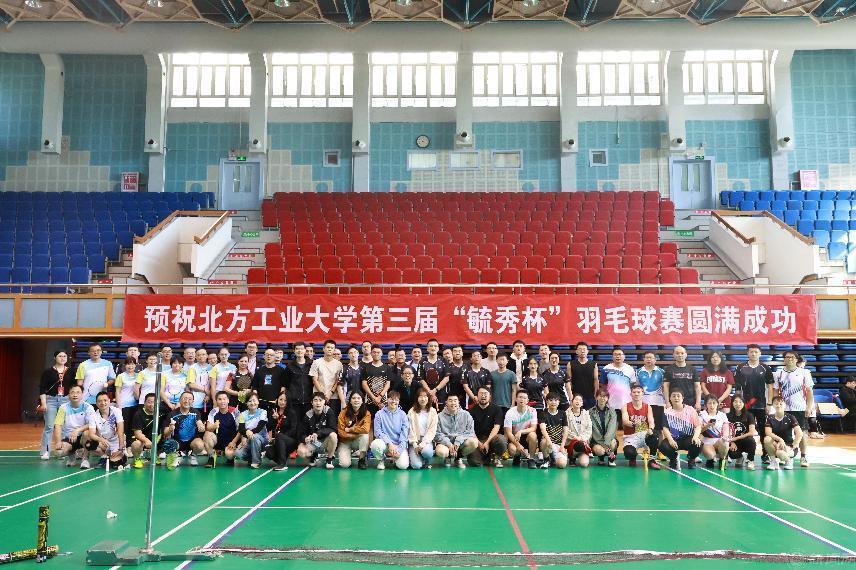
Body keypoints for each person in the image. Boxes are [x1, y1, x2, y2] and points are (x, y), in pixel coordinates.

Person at [772, 351, 814, 467]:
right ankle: (783, 454)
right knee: (782, 433)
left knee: (802, 433)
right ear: (784, 359)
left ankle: (803, 456)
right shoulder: (778, 374)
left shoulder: (805, 372)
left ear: (796, 359)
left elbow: (809, 392)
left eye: (792, 357)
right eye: (787, 357)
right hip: (783, 409)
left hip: (799, 408)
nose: (789, 359)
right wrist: (775, 406)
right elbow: (775, 392)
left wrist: (809, 407)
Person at [733, 344, 774, 463]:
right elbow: (738, 389)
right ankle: (743, 455)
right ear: (747, 353)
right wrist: (738, 404)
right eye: (751, 352)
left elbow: (770, 387)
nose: (753, 354)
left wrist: (769, 404)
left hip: (761, 405)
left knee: (763, 431)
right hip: (745, 406)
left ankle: (765, 454)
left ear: (760, 353)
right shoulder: (740, 367)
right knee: (743, 430)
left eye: (756, 352)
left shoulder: (765, 368)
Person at [52, 385, 96, 468]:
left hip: (83, 437)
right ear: (69, 395)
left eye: (78, 392)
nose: (75, 395)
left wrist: (77, 430)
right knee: (58, 452)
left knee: (87, 432)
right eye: (72, 392)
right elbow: (57, 425)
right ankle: (72, 455)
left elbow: (92, 424)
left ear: (82, 395)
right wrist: (58, 442)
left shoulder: (88, 407)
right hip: (69, 437)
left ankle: (85, 459)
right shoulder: (63, 408)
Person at [659, 389, 703, 470]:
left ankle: (691, 459)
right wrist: (670, 440)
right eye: (674, 396)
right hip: (674, 439)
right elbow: (665, 428)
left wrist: (696, 437)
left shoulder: (690, 410)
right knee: (663, 446)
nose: (676, 398)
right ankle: (673, 458)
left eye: (678, 396)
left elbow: (698, 426)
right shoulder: (667, 412)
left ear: (682, 398)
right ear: (670, 398)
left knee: (698, 443)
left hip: (688, 439)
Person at [39, 350, 71, 459]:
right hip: (51, 401)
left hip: (66, 400)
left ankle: (62, 451)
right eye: (60, 356)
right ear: (54, 358)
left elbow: (74, 387)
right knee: (49, 426)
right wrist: (44, 403)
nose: (62, 358)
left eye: (64, 356)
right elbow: (42, 388)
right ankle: (45, 451)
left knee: (63, 426)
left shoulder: (71, 371)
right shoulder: (48, 372)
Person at [621, 384, 660, 469]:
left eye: (638, 392)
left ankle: (652, 460)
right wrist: (634, 423)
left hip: (644, 434)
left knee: (655, 437)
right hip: (631, 437)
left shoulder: (647, 406)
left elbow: (651, 421)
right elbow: (625, 421)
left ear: (642, 393)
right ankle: (632, 458)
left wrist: (651, 429)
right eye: (634, 392)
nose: (636, 394)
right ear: (631, 394)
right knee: (629, 453)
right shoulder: (625, 406)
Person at [163, 391, 205, 468]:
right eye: (184, 398)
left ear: (193, 401)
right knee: (168, 445)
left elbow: (199, 422)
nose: (187, 401)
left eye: (189, 399)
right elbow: (165, 433)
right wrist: (170, 429)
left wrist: (201, 427)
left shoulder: (195, 412)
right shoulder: (172, 414)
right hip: (177, 441)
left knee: (200, 445)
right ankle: (176, 455)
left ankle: (193, 455)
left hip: (192, 441)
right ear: (180, 400)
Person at [434, 394, 478, 468]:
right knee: (441, 451)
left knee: (474, 442)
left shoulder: (466, 415)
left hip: (460, 443)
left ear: (458, 402)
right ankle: (447, 458)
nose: (453, 403)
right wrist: (449, 444)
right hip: (445, 444)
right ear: (446, 402)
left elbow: (470, 432)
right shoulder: (439, 416)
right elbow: (437, 434)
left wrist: (458, 441)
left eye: (455, 400)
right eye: (450, 400)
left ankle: (458, 458)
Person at [468, 386, 507, 468]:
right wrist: (479, 443)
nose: (483, 396)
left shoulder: (497, 409)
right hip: (478, 440)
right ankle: (487, 457)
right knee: (474, 462)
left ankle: (496, 457)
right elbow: (470, 430)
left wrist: (487, 442)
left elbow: (496, 427)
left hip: (492, 438)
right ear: (477, 396)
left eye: (485, 394)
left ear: (490, 396)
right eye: (481, 393)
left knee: (501, 440)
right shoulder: (471, 411)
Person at [370, 390, 410, 470]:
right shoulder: (379, 414)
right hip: (385, 444)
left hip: (398, 445)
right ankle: (381, 459)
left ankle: (395, 459)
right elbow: (377, 432)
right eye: (391, 399)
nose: (394, 401)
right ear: (387, 399)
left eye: (396, 400)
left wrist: (399, 449)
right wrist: (389, 444)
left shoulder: (403, 415)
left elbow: (404, 434)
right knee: (375, 444)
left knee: (403, 466)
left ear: (399, 401)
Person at [297, 392, 337, 469]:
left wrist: (318, 434)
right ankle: (313, 456)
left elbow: (333, 428)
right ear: (312, 402)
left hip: (326, 441)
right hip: (314, 442)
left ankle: (329, 459)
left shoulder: (329, 411)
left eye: (320, 400)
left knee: (333, 435)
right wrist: (305, 438)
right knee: (301, 451)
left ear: (324, 401)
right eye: (315, 400)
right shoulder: (308, 415)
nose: (318, 403)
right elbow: (302, 433)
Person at [764, 395, 804, 471]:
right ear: (773, 405)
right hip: (776, 444)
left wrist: (793, 446)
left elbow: (799, 433)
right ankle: (773, 462)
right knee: (767, 439)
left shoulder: (790, 417)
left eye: (781, 404)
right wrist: (780, 440)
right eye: (776, 404)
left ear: (785, 405)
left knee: (780, 453)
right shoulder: (770, 417)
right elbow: (768, 433)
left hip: (788, 446)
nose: (778, 405)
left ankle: (789, 460)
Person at [88, 391, 126, 469]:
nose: (103, 403)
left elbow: (121, 431)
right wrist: (101, 439)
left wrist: (121, 448)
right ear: (96, 403)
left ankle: (121, 455)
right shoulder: (93, 416)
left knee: (115, 464)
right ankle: (104, 456)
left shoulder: (116, 411)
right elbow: (91, 434)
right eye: (100, 401)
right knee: (88, 445)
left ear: (109, 401)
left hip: (116, 441)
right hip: (104, 442)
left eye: (105, 400)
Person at [204, 391, 242, 467]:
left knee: (229, 455)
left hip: (231, 441)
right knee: (207, 434)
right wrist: (214, 426)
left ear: (228, 400)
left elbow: (241, 430)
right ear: (216, 401)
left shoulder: (235, 411)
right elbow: (208, 428)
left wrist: (233, 442)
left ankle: (229, 457)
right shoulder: (213, 411)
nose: (222, 401)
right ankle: (211, 457)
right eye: (220, 399)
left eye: (224, 399)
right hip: (217, 440)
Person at [130, 393, 168, 469]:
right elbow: (137, 433)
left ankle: (154, 455)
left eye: (154, 402)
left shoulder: (162, 411)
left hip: (157, 437)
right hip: (142, 438)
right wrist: (146, 440)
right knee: (136, 444)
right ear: (144, 403)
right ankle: (137, 458)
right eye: (149, 402)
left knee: (169, 441)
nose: (152, 405)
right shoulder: (139, 414)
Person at [504, 390, 539, 468]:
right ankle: (517, 456)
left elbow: (533, 428)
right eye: (520, 397)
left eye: (524, 398)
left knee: (533, 435)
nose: (522, 399)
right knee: (512, 449)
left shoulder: (532, 411)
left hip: (526, 437)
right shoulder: (510, 413)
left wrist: (521, 431)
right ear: (516, 399)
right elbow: (508, 432)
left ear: (527, 400)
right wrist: (518, 445)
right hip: (515, 438)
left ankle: (531, 459)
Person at [336, 391, 371, 469]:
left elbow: (365, 429)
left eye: (358, 398)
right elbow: (340, 432)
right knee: (344, 465)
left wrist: (350, 429)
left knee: (365, 436)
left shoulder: (366, 413)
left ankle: (361, 459)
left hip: (356, 440)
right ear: (350, 401)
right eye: (353, 398)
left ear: (362, 401)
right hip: (345, 441)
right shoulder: (343, 412)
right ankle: (348, 455)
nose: (356, 400)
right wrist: (353, 435)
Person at [310, 340, 345, 416]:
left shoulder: (339, 364)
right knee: (318, 418)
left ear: (334, 350)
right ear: (323, 349)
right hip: (318, 396)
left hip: (333, 397)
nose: (330, 349)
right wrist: (323, 394)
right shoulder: (316, 362)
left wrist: (330, 393)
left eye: (332, 348)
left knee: (333, 418)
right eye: (328, 347)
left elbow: (337, 381)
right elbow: (314, 380)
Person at [266, 392, 299, 471]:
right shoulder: (273, 411)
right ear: (277, 400)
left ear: (288, 401)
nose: (282, 402)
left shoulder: (291, 412)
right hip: (277, 441)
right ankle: (283, 458)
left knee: (279, 436)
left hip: (290, 441)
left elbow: (293, 430)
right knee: (268, 452)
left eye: (285, 400)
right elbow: (268, 427)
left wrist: (281, 436)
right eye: (280, 399)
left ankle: (282, 464)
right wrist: (274, 419)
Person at [235, 394, 269, 469]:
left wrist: (248, 433)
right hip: (249, 439)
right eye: (250, 401)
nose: (252, 403)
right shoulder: (243, 414)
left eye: (254, 400)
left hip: (262, 440)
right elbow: (241, 429)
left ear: (258, 402)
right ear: (246, 403)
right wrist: (246, 433)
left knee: (255, 437)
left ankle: (256, 461)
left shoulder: (263, 412)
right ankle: (252, 457)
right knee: (238, 453)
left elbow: (259, 427)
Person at [636, 351, 666, 437]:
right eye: (647, 357)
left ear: (655, 359)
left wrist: (665, 402)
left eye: (651, 358)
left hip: (658, 402)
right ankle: (644, 445)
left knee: (659, 428)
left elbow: (664, 387)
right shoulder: (638, 371)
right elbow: (636, 387)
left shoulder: (661, 371)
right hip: (643, 403)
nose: (649, 359)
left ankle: (660, 445)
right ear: (644, 359)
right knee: (643, 428)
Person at [407, 388, 438, 469]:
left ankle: (426, 458)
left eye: (425, 396)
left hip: (426, 440)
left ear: (428, 398)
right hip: (414, 441)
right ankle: (416, 458)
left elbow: (432, 431)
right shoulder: (411, 411)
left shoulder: (433, 412)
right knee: (416, 466)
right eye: (420, 396)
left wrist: (421, 445)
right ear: (417, 398)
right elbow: (409, 429)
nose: (423, 399)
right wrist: (415, 445)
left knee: (427, 452)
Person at [663, 346, 701, 411]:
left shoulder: (692, 369)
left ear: (686, 355)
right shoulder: (669, 369)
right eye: (677, 353)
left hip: (690, 401)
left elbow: (697, 386)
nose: (680, 355)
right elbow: (666, 386)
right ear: (673, 355)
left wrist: (698, 402)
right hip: (674, 401)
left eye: (682, 353)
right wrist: (667, 402)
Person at [602, 348, 638, 416]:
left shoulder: (630, 369)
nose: (618, 356)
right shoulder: (606, 368)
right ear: (612, 356)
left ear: (624, 356)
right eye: (615, 354)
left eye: (620, 354)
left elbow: (632, 385)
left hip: (626, 402)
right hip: (611, 403)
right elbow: (603, 386)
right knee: (612, 423)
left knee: (626, 422)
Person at [113, 358, 141, 445]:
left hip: (136, 405)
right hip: (124, 405)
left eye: (132, 364)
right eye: (128, 364)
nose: (130, 366)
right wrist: (119, 406)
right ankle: (124, 446)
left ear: (135, 365)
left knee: (134, 427)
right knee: (125, 427)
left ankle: (131, 446)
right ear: (125, 365)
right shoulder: (121, 376)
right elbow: (117, 392)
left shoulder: (139, 375)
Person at [538, 393, 568, 469]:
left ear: (559, 402)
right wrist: (548, 441)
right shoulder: (543, 413)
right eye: (551, 400)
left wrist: (562, 446)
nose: (553, 402)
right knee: (543, 442)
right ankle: (546, 460)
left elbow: (565, 431)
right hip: (548, 444)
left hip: (559, 444)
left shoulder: (563, 413)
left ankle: (553, 459)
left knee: (561, 465)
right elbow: (543, 428)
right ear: (547, 401)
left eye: (556, 400)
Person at [726, 395, 757, 470]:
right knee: (732, 453)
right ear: (732, 403)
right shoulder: (728, 416)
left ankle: (751, 460)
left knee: (751, 441)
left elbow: (751, 432)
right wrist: (732, 442)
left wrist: (735, 438)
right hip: (733, 441)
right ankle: (739, 457)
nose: (738, 404)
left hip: (745, 440)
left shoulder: (749, 415)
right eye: (735, 402)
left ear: (744, 403)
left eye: (740, 402)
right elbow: (726, 432)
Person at [589, 389, 618, 467]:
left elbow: (612, 428)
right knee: (600, 451)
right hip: (597, 440)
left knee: (613, 443)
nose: (602, 398)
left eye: (605, 396)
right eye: (600, 396)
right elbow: (595, 430)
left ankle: (611, 459)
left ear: (607, 398)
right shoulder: (590, 412)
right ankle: (601, 457)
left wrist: (607, 443)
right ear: (596, 397)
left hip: (609, 439)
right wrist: (604, 446)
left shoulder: (612, 411)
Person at [699, 396, 729, 469]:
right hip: (706, 441)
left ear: (717, 404)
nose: (712, 405)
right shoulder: (702, 414)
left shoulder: (722, 415)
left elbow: (726, 428)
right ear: (706, 404)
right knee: (710, 455)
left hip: (718, 441)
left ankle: (722, 459)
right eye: (709, 403)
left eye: (714, 403)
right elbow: (699, 430)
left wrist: (725, 437)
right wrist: (707, 425)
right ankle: (710, 459)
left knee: (725, 443)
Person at [418, 338, 448, 408]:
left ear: (438, 348)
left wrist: (435, 390)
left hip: (441, 393)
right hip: (426, 394)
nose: (433, 348)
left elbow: (446, 378)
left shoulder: (444, 361)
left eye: (435, 346)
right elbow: (421, 379)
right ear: (427, 348)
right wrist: (430, 392)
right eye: (431, 346)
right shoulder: (422, 362)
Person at [285, 342, 313, 417]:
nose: (299, 351)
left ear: (305, 350)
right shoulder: (289, 366)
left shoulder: (312, 365)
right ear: (294, 351)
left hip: (309, 402)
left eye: (301, 349)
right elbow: (286, 384)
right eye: (297, 349)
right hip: (294, 402)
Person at [361, 346, 391, 416]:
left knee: (383, 420)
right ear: (371, 353)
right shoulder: (366, 367)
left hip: (383, 401)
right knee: (369, 420)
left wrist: (380, 397)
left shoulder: (387, 367)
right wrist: (373, 398)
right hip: (369, 400)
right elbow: (364, 384)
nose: (376, 354)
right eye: (374, 352)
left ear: (382, 354)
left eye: (378, 352)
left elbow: (388, 384)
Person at [568, 342, 598, 409]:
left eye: (584, 349)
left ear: (587, 351)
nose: (582, 351)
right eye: (580, 349)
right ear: (576, 351)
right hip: (576, 396)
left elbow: (596, 380)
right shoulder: (571, 364)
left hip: (590, 396)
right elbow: (569, 381)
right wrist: (570, 395)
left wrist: (596, 394)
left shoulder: (593, 364)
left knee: (590, 415)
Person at [565, 394, 592, 467]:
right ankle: (571, 457)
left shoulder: (586, 414)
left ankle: (581, 454)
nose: (578, 401)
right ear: (572, 401)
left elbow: (589, 429)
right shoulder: (566, 414)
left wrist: (580, 438)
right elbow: (565, 429)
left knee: (584, 464)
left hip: (582, 442)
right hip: (571, 442)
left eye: (580, 400)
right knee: (577, 444)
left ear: (582, 403)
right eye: (576, 399)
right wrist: (575, 438)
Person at [490, 353, 518, 419]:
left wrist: (513, 404)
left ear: (507, 361)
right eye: (500, 360)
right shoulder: (492, 374)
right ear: (496, 360)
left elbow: (514, 390)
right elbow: (490, 390)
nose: (501, 362)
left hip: (507, 405)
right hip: (494, 404)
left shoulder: (511, 374)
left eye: (503, 360)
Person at [186, 348, 212, 415]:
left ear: (207, 356)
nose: (201, 356)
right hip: (196, 401)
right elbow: (191, 385)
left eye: (203, 354)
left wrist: (208, 395)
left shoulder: (211, 367)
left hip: (209, 400)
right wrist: (205, 390)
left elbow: (213, 384)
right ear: (196, 357)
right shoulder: (192, 368)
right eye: (199, 355)